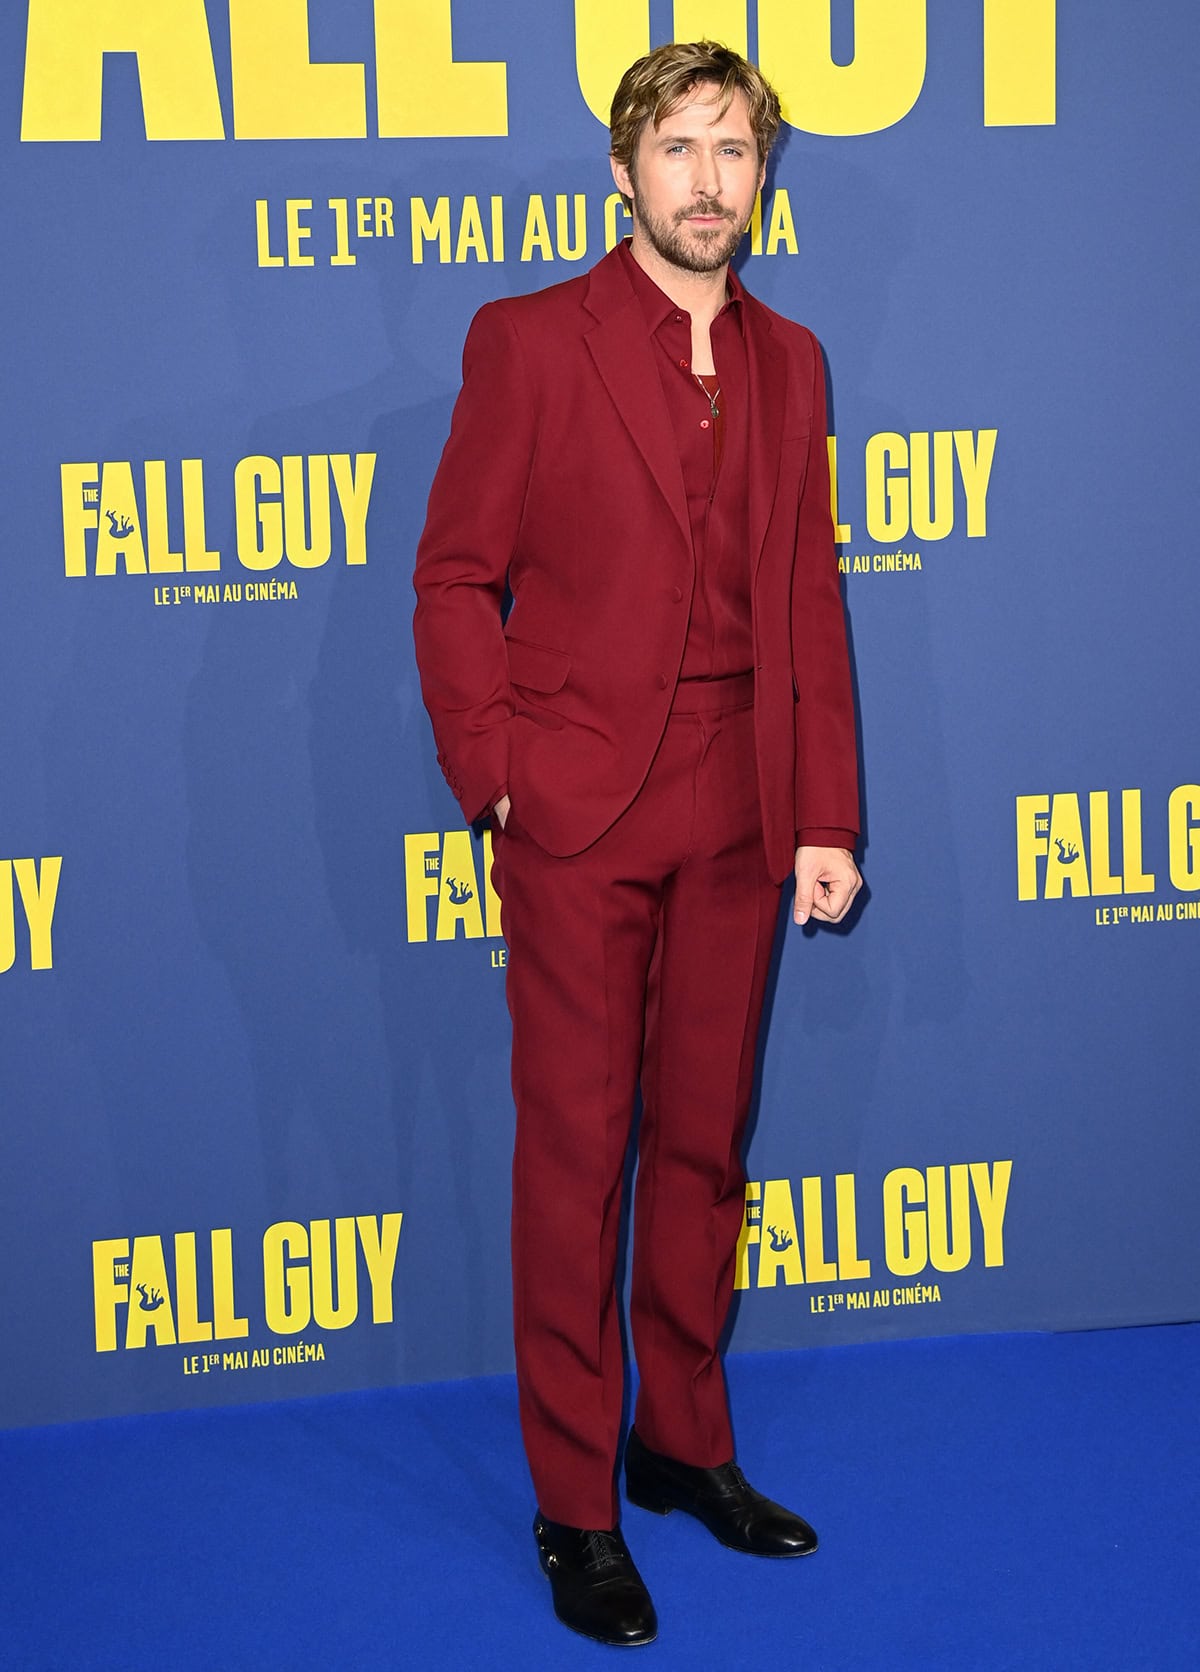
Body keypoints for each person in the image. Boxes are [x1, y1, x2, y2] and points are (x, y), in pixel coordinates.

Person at [413, 39, 862, 1648]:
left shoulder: (797, 361)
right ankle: (574, 1502)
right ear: (623, 174)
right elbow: (455, 577)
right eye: (679, 149)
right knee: (578, 1160)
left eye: (735, 152)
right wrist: (499, 776)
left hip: (742, 810)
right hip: (581, 812)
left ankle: (682, 1446)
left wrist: (824, 815)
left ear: (763, 180)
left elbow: (809, 599)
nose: (708, 180)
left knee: (702, 1149)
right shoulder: (529, 342)